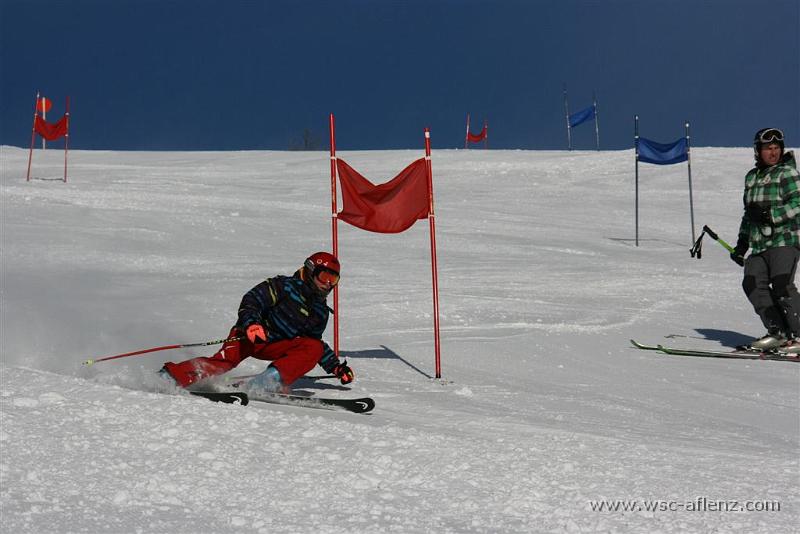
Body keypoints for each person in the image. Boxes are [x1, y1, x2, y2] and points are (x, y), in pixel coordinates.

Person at [160, 252, 354, 393]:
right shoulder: (282, 286)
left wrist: (336, 367)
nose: (328, 283)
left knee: (313, 346)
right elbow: (252, 300)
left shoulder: (320, 311)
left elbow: (314, 343)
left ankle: (268, 382)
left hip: (276, 345)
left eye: (334, 279)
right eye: (324, 276)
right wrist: (252, 323)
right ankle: (170, 377)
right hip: (250, 335)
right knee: (222, 364)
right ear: (311, 271)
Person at [730, 128, 800, 352]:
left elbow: (798, 204)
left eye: (777, 147)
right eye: (768, 148)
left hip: (784, 241)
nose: (773, 152)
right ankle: (778, 332)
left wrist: (772, 215)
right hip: (759, 244)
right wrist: (742, 244)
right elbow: (748, 215)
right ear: (758, 151)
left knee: (781, 285)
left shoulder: (787, 173)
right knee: (751, 283)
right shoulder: (751, 177)